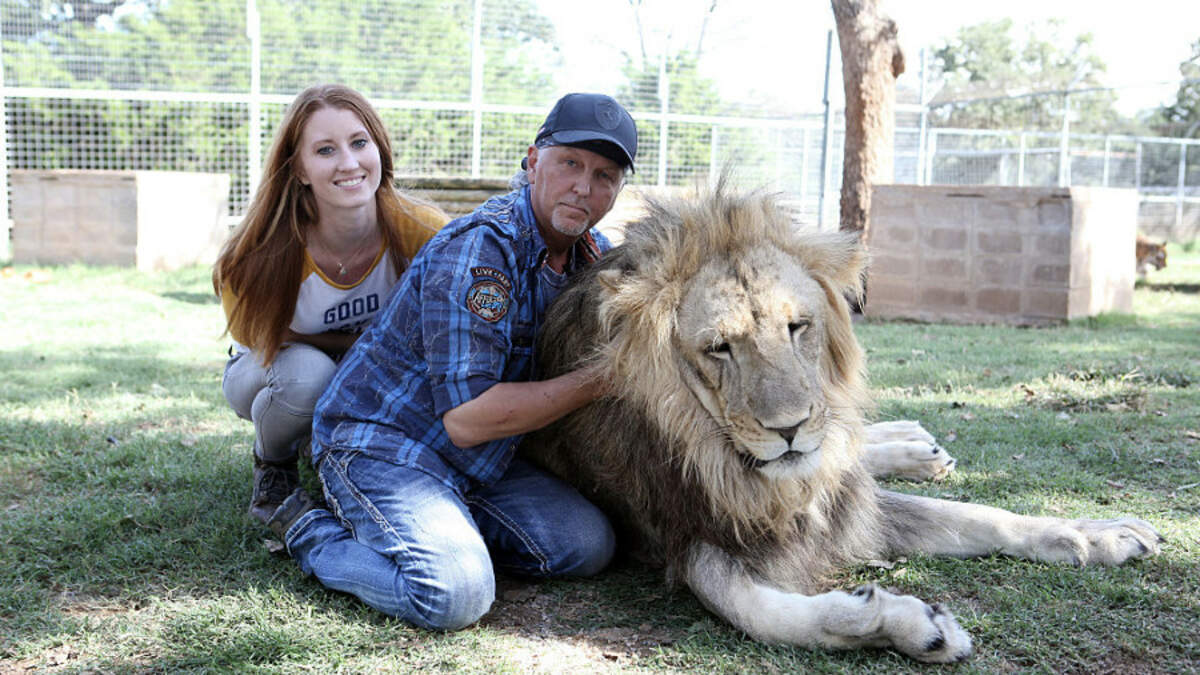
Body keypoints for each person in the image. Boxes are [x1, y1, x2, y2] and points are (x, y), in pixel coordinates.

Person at [267, 92, 639, 630]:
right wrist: (602, 379)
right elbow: (468, 419)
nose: (584, 186)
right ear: (533, 161)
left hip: (479, 461)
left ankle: (440, 532)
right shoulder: (480, 251)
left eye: (605, 175)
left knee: (587, 545)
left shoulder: (592, 256)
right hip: (383, 443)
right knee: (454, 595)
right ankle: (309, 530)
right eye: (570, 163)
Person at [213, 84, 448, 525]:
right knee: (310, 377)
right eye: (325, 150)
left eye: (359, 142)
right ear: (299, 169)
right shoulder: (257, 254)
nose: (349, 163)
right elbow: (266, 338)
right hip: (268, 369)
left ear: (379, 148)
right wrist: (359, 349)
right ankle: (273, 463)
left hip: (370, 367)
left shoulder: (422, 230)